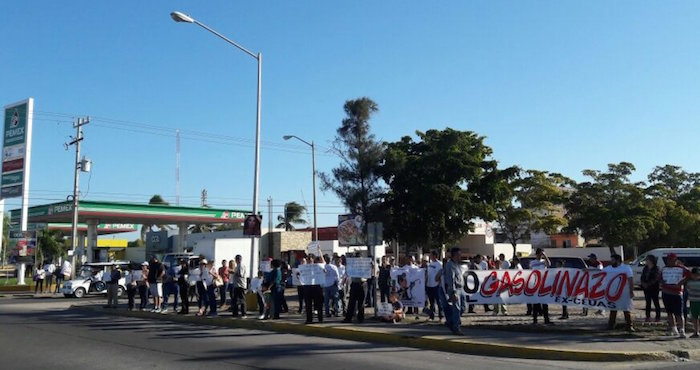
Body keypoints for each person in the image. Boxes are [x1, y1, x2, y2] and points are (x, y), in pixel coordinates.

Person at [662, 253, 690, 338]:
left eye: (671, 259)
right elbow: (659, 277)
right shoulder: (664, 269)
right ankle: (673, 328)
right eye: (668, 259)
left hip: (677, 293)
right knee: (669, 312)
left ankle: (682, 329)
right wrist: (662, 282)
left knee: (679, 313)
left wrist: (681, 282)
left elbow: (689, 274)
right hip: (666, 292)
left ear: (675, 259)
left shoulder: (681, 268)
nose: (669, 261)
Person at [605, 254, 635, 332]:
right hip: (613, 293)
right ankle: (611, 325)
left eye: (613, 260)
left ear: (617, 260)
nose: (611, 261)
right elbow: (599, 273)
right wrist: (586, 271)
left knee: (626, 309)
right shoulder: (609, 268)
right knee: (613, 309)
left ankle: (629, 325)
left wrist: (631, 291)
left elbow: (630, 280)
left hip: (624, 293)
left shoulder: (626, 268)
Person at [444, 247, 465, 335]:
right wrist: (453, 292)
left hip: (461, 289)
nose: (460, 256)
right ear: (454, 255)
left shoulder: (458, 265)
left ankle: (450, 322)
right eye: (458, 255)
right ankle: (456, 328)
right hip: (455, 289)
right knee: (457, 308)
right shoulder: (450, 265)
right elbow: (450, 279)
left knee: (463, 308)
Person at [342, 253, 367, 324]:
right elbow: (347, 273)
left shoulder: (365, 265)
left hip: (362, 284)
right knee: (351, 302)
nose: (358, 260)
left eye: (359, 259)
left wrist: (371, 266)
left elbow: (371, 273)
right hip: (354, 284)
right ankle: (348, 318)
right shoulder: (352, 265)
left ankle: (360, 319)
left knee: (361, 303)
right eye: (357, 258)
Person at [530, 248, 552, 325]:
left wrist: (545, 256)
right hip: (535, 284)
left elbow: (549, 264)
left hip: (544, 284)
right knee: (536, 303)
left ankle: (546, 319)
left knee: (545, 303)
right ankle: (535, 319)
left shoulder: (543, 262)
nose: (540, 256)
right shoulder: (532, 262)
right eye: (540, 254)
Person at [640, 255, 662, 322]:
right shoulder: (645, 268)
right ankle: (648, 316)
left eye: (647, 260)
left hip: (654, 288)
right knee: (648, 302)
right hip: (646, 289)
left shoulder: (656, 268)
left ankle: (658, 317)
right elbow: (642, 276)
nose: (646, 261)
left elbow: (656, 278)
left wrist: (649, 284)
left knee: (656, 302)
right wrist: (643, 283)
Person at [425, 250, 443, 321]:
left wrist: (439, 282)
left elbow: (441, 274)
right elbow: (427, 274)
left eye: (431, 255)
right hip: (429, 285)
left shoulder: (439, 264)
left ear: (435, 256)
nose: (430, 256)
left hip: (436, 285)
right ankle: (431, 316)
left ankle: (441, 316)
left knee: (439, 302)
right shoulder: (429, 264)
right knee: (431, 302)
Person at [686, 268, 700, 338]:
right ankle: (696, 331)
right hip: (693, 301)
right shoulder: (689, 282)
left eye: (697, 275)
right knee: (694, 317)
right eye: (694, 275)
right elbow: (688, 289)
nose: (695, 276)